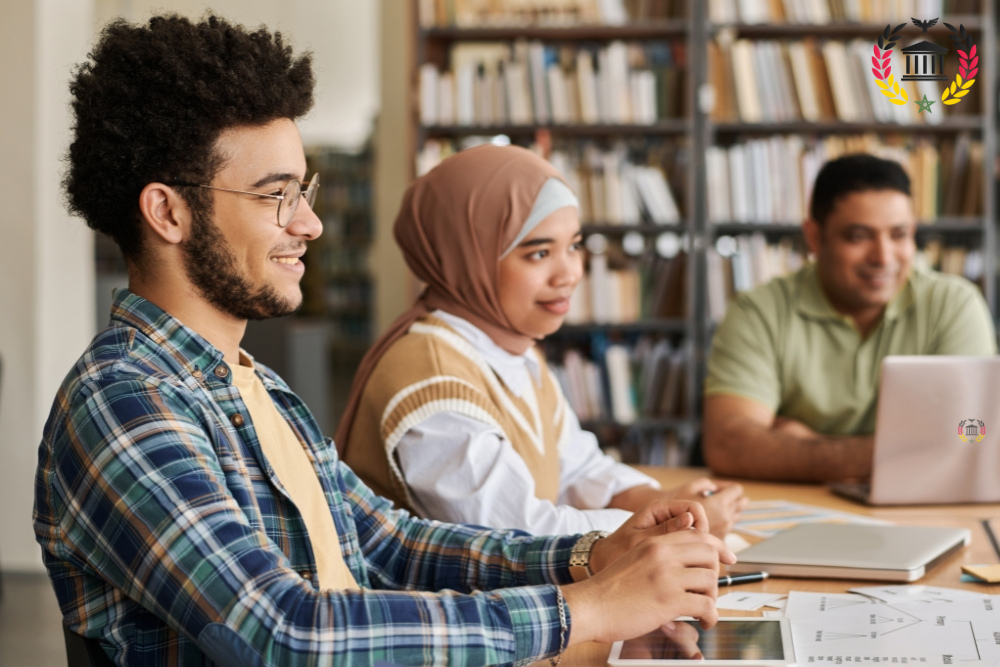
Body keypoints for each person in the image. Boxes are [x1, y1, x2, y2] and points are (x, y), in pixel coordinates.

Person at [33, 14, 737, 666]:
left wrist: (594, 553)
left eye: (304, 190)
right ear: (168, 212)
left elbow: (388, 543)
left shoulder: (256, 386)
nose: (308, 223)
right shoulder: (122, 403)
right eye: (278, 194)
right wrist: (584, 608)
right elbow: (286, 632)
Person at [335, 144, 747, 539]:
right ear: (467, 258)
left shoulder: (512, 350)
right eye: (538, 253)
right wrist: (664, 524)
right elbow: (518, 535)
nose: (568, 273)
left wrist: (665, 501)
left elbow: (579, 470)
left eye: (574, 246)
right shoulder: (430, 378)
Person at [702, 153, 997, 483]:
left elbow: (971, 442)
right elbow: (729, 444)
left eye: (898, 235)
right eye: (858, 236)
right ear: (815, 237)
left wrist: (805, 443)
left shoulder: (954, 305)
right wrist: (906, 451)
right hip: (800, 513)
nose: (883, 257)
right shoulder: (759, 311)